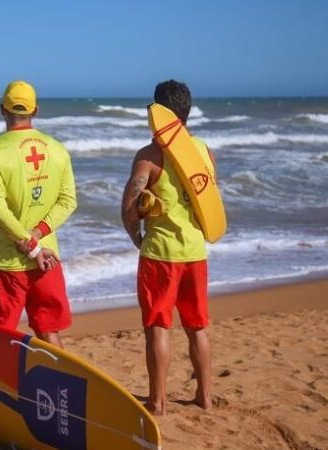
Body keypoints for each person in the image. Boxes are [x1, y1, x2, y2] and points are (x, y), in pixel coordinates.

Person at [121, 80, 215, 415]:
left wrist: (138, 238)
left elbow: (128, 210)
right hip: (196, 253)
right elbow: (208, 203)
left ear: (157, 113)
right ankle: (205, 397)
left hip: (161, 254)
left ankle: (158, 402)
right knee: (197, 327)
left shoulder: (149, 157)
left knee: (158, 326)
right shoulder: (204, 152)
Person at [0, 80, 77, 349]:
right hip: (48, 260)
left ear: (2, 109)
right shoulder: (57, 149)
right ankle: (57, 377)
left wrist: (30, 246)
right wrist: (38, 236)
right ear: (35, 110)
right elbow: (68, 201)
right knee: (49, 332)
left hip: (6, 262)